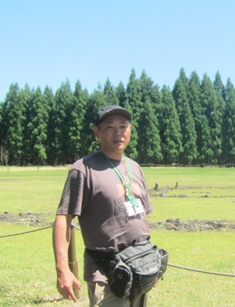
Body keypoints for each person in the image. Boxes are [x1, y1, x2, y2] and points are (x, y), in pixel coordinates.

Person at [53, 105, 154, 306]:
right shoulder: (84, 169)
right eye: (110, 127)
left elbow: (142, 221)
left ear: (130, 129)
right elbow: (63, 219)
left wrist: (152, 264)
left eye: (123, 126)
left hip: (140, 268)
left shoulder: (135, 167)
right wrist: (63, 270)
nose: (118, 132)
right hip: (107, 274)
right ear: (97, 132)